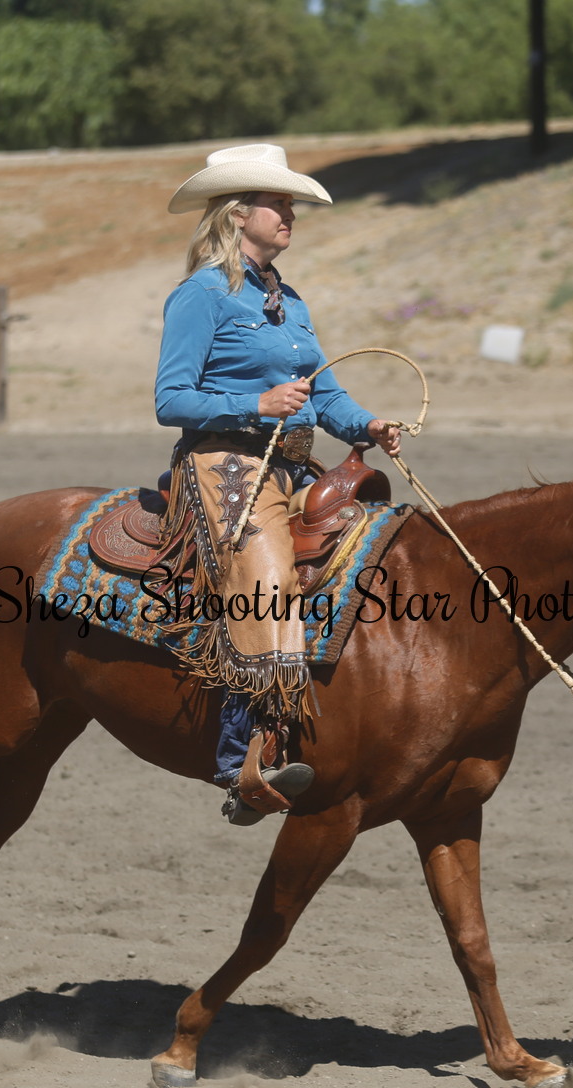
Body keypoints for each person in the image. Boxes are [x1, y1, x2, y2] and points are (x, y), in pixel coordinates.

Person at [154, 143, 401, 826]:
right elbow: (171, 399)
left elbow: (325, 393)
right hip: (226, 465)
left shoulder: (288, 301)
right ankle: (244, 761)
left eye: (291, 204)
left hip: (293, 466)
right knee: (265, 582)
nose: (289, 214)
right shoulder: (202, 294)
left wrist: (368, 424)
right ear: (238, 214)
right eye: (278, 203)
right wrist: (255, 405)